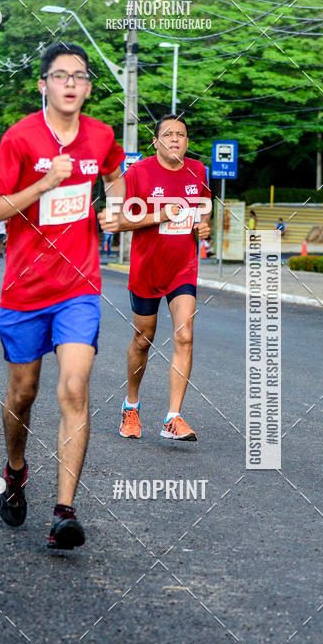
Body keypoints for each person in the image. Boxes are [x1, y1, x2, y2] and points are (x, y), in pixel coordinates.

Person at [0, 41, 124, 550]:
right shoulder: (20, 138)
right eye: (60, 75)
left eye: (80, 76)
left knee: (74, 388)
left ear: (87, 87)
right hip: (24, 288)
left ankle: (64, 510)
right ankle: (15, 470)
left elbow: (114, 173)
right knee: (23, 394)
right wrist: (44, 184)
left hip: (78, 287)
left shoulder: (101, 135)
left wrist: (116, 209)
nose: (71, 83)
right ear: (43, 84)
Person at [98, 114, 211, 443]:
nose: (175, 139)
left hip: (182, 267)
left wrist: (203, 226)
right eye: (168, 134)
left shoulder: (198, 171)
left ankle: (172, 417)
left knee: (185, 335)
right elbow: (118, 221)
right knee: (143, 340)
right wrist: (160, 214)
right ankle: (130, 406)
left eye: (181, 134)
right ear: (156, 142)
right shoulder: (138, 173)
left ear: (188, 142)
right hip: (147, 269)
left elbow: (203, 208)